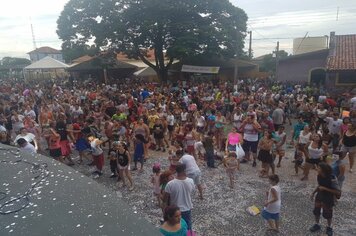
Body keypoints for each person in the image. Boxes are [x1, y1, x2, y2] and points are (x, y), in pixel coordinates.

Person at [310, 163, 341, 236]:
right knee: (316, 211)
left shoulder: (332, 178)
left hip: (328, 198)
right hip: (319, 196)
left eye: (319, 168)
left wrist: (324, 188)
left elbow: (337, 191)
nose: (317, 168)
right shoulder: (319, 176)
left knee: (328, 213)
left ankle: (329, 227)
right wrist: (313, 193)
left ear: (323, 170)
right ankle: (317, 224)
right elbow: (319, 185)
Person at [164, 163, 195, 231]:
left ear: (176, 171)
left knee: (175, 229)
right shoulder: (191, 181)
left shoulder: (170, 184)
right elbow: (191, 191)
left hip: (174, 210)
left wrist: (165, 211)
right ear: (184, 170)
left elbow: (165, 199)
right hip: (187, 209)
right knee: (187, 228)